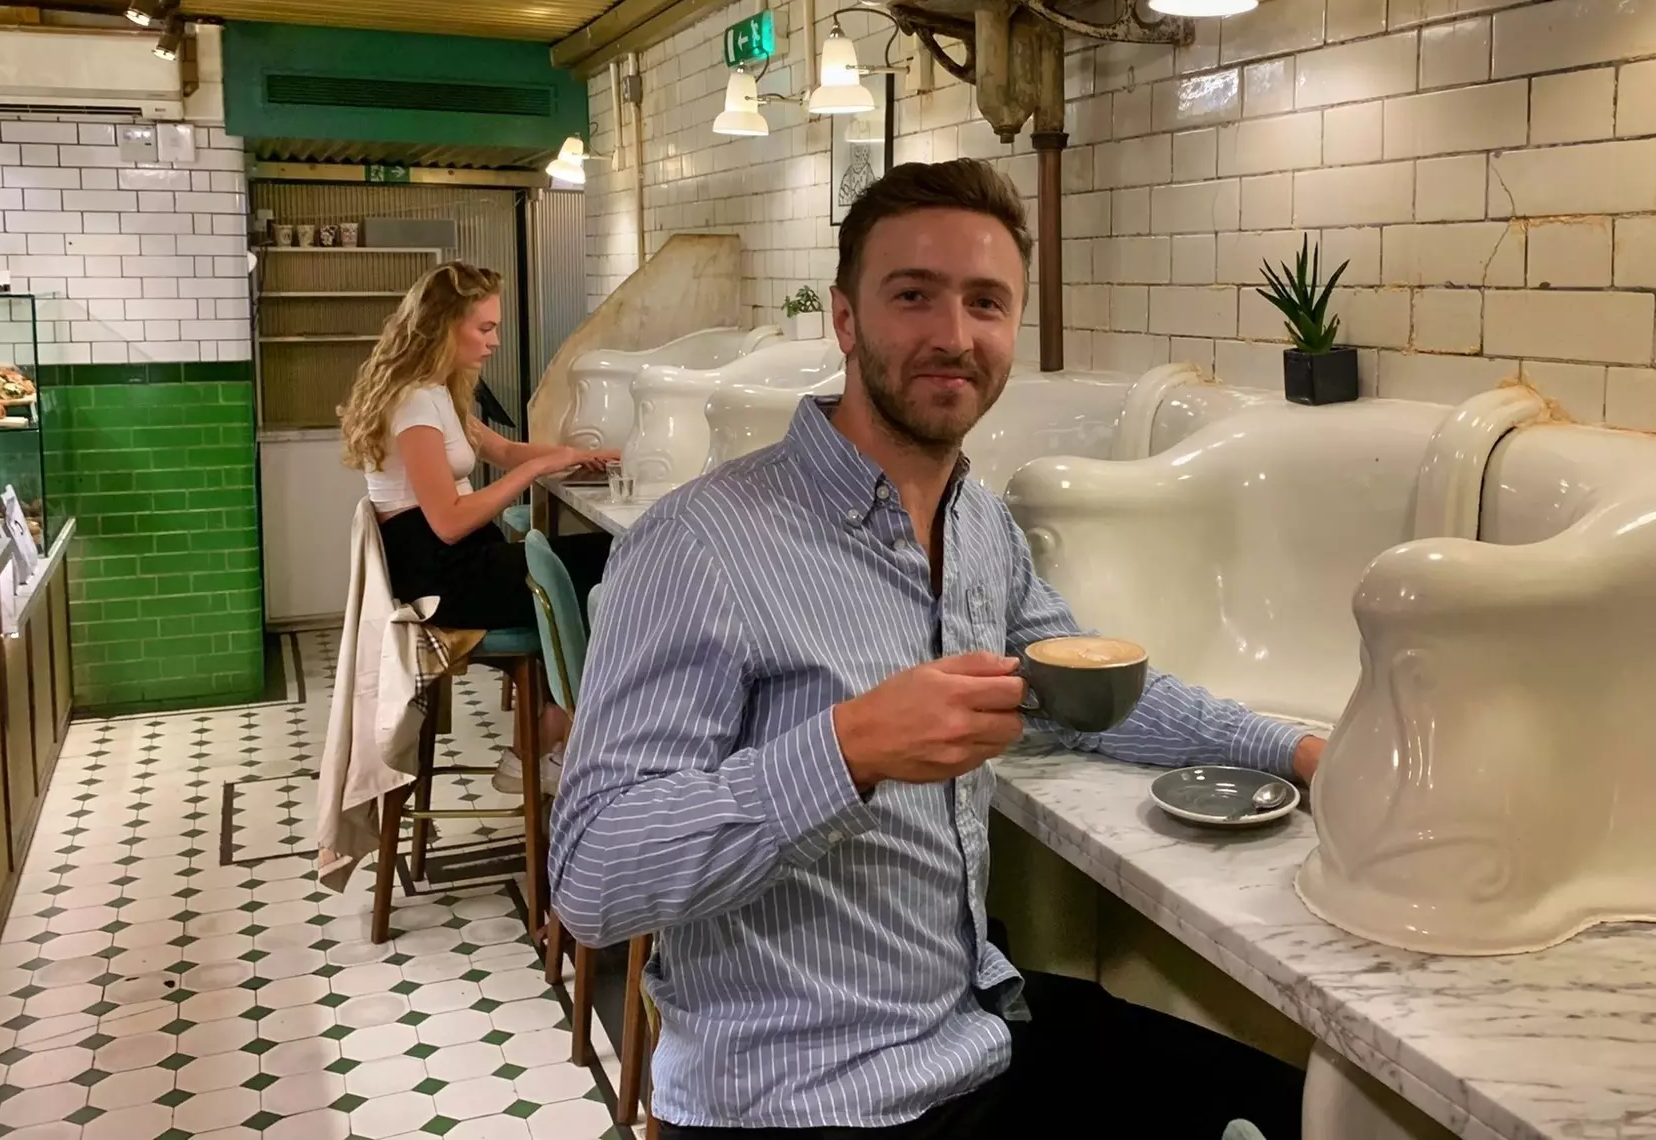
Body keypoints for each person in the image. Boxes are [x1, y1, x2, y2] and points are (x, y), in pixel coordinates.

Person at [549, 161, 1324, 1138]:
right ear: (844, 319)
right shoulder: (702, 544)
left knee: (1283, 1101)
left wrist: (1299, 755)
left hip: (966, 1038)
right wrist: (847, 749)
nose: (952, 337)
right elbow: (590, 879)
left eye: (984, 303)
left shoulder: (979, 528)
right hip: (798, 1103)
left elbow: (1091, 685)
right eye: (912, 295)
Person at [339, 260, 612, 791]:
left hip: (456, 561)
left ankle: (547, 742)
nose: (493, 341)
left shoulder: (436, 391)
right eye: (484, 328)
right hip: (441, 578)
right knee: (606, 564)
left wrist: (580, 455)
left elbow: (505, 449)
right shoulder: (415, 401)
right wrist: (537, 469)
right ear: (446, 326)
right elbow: (446, 521)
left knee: (595, 561)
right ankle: (548, 747)